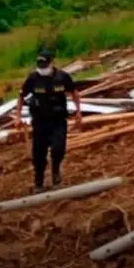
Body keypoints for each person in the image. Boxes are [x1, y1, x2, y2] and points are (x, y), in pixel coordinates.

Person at [14, 49, 82, 193]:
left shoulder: (63, 77)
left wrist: (78, 111)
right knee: (38, 154)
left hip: (58, 120)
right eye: (40, 65)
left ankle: (56, 171)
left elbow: (74, 93)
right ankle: (39, 180)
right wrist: (18, 116)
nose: (42, 68)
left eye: (45, 65)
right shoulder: (33, 78)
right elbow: (21, 96)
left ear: (52, 62)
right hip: (40, 122)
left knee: (58, 148)